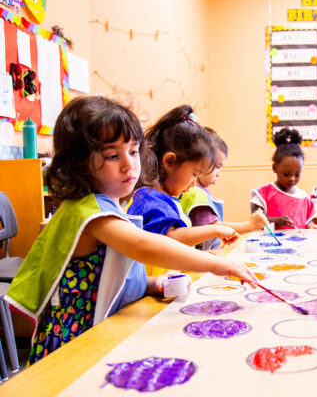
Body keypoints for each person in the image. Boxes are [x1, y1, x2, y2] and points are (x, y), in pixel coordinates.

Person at [5, 96, 257, 364]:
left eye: (134, 151)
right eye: (113, 155)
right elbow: (143, 245)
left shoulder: (112, 204)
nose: (129, 165)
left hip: (103, 328)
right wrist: (216, 264)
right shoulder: (87, 211)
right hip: (75, 340)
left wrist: (150, 284)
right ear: (78, 163)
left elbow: (106, 274)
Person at [127, 105, 241, 276]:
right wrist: (215, 230)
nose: (194, 184)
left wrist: (197, 256)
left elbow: (175, 251)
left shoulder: (167, 198)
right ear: (170, 162)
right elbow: (171, 240)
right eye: (194, 175)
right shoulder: (148, 199)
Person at [180, 128, 268, 250]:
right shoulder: (195, 193)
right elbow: (216, 228)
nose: (218, 174)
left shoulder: (199, 192)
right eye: (216, 167)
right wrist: (250, 225)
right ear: (200, 163)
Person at [250, 128, 317, 230]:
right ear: (275, 168)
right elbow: (255, 220)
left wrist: (311, 225)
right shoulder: (264, 194)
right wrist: (276, 220)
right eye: (286, 174)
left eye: (297, 174)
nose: (292, 178)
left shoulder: (303, 196)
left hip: (298, 244)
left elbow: (306, 221)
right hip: (270, 244)